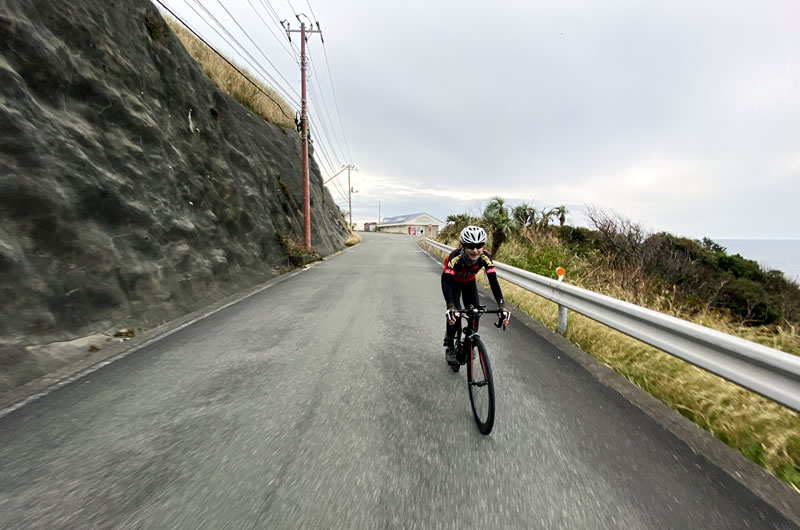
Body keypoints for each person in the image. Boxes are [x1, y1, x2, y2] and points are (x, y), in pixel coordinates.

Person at [441, 225, 510, 366]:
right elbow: (446, 282)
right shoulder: (455, 257)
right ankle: (450, 343)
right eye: (471, 246)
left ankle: (470, 342)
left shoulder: (485, 257)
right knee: (455, 315)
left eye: (479, 246)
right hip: (452, 284)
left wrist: (501, 306)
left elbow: (493, 281)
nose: (475, 250)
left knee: (475, 313)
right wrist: (450, 306)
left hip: (468, 284)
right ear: (463, 246)